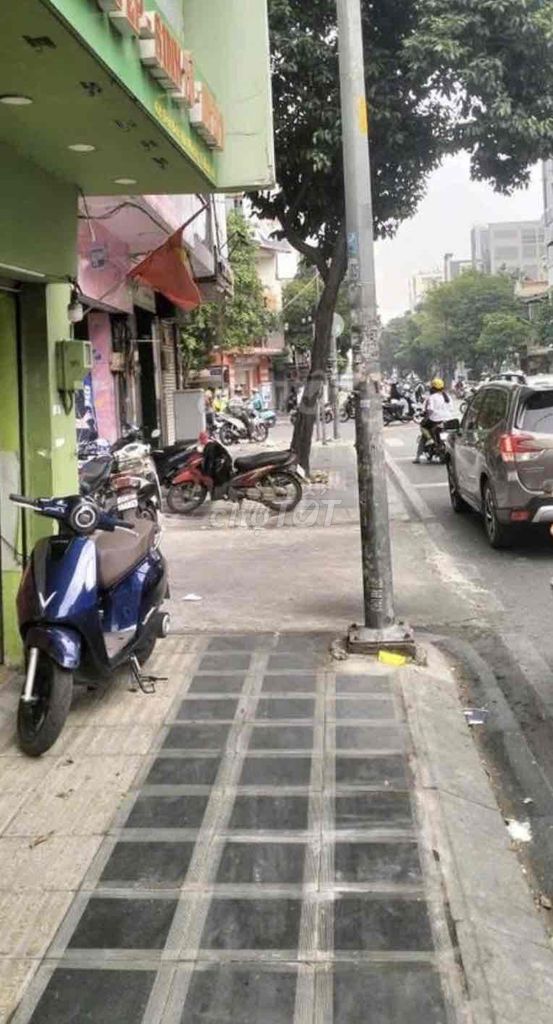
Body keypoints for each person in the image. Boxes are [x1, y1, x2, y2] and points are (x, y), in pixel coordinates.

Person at [413, 377, 450, 463]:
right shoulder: (447, 397)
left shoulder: (432, 397)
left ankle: (419, 455)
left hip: (435, 420)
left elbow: (430, 410)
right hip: (447, 420)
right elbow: (450, 408)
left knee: (423, 427)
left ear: (432, 388)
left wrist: (425, 416)